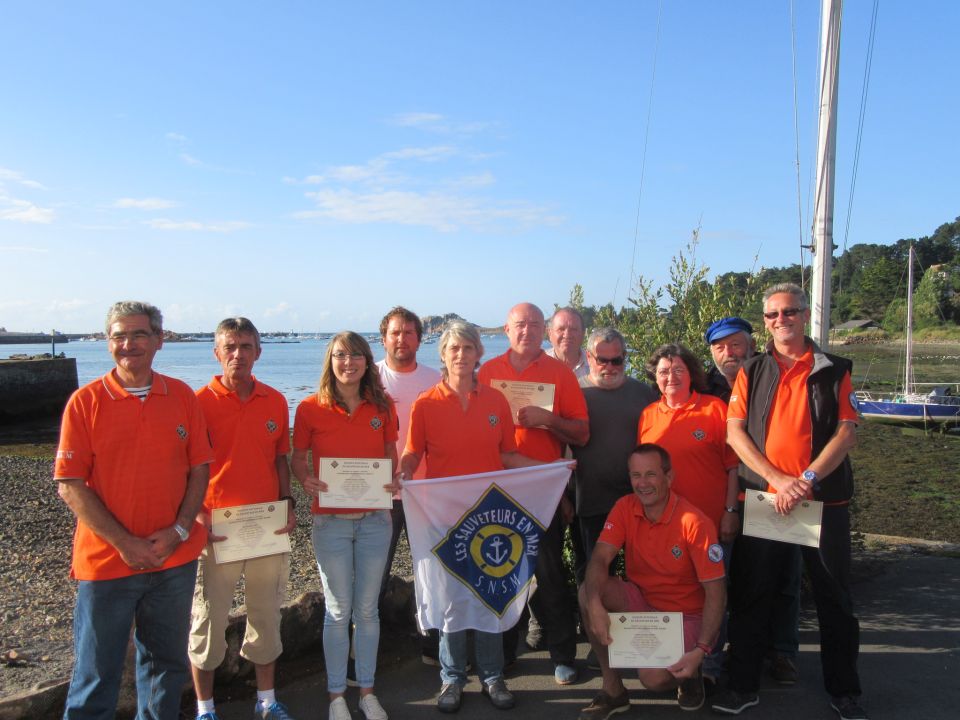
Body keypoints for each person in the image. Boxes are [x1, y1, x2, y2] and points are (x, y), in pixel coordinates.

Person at [712, 283, 866, 720]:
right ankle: (742, 685)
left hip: (823, 503)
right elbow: (735, 433)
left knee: (834, 598)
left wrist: (807, 479)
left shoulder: (834, 369)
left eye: (789, 312)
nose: (781, 320)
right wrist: (778, 480)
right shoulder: (753, 370)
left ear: (804, 315)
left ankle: (845, 691)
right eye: (773, 315)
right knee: (752, 593)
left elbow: (847, 433)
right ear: (765, 322)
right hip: (766, 498)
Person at [55, 301, 212, 720]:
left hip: (173, 561)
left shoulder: (181, 396)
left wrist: (179, 531)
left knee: (166, 669)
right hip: (107, 563)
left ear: (159, 340)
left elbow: (199, 469)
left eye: (139, 334)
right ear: (108, 343)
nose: (128, 344)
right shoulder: (85, 402)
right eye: (118, 336)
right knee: (94, 675)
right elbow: (70, 485)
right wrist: (125, 543)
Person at [401, 321, 539, 713]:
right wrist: (405, 472)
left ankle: (493, 677)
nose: (460, 355)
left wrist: (551, 470)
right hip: (442, 518)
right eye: (453, 348)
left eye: (467, 347)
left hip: (489, 518)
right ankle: (452, 678)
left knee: (489, 597)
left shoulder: (496, 402)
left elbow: (508, 456)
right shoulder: (425, 403)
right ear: (442, 355)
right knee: (450, 601)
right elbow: (413, 453)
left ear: (479, 353)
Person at [189, 318, 297, 720]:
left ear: (258, 352)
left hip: (267, 528)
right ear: (217, 352)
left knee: (266, 616)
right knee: (209, 620)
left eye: (246, 346)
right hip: (218, 531)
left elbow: (279, 459)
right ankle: (205, 709)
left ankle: (267, 702)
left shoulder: (274, 400)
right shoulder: (198, 402)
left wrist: (288, 503)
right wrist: (198, 515)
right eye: (230, 347)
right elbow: (188, 467)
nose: (238, 354)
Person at [478, 302, 589, 686]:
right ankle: (506, 654)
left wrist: (548, 420)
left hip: (544, 490)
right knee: (502, 574)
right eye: (519, 324)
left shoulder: (560, 374)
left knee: (549, 574)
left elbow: (581, 434)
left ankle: (563, 656)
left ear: (544, 330)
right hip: (496, 491)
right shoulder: (488, 372)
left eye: (534, 325)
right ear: (506, 329)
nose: (527, 331)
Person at [292, 333, 400, 720]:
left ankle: (367, 692)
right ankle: (336, 695)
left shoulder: (383, 407)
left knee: (367, 611)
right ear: (330, 361)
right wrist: (305, 479)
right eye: (340, 355)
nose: (348, 362)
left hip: (375, 520)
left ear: (367, 361)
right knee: (338, 611)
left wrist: (394, 478)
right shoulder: (308, 408)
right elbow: (297, 457)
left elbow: (390, 454)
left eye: (356, 355)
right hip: (330, 522)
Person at [578, 444, 726, 718]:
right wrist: (595, 604)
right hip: (644, 604)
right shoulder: (625, 507)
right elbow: (599, 558)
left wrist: (702, 649)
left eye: (650, 474)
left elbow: (717, 593)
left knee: (654, 679)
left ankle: (691, 670)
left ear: (669, 478)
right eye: (636, 475)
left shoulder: (695, 522)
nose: (642, 483)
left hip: (686, 616)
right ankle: (614, 692)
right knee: (588, 591)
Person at [703, 316, 801, 686]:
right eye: (719, 347)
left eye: (735, 345)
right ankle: (737, 649)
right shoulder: (706, 388)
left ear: (750, 344)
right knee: (732, 578)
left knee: (785, 576)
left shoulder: (772, 375)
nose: (728, 353)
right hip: (727, 497)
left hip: (774, 492)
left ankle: (782, 652)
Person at [572, 327, 657, 578]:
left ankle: (636, 619)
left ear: (624, 359)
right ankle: (592, 619)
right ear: (589, 358)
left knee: (643, 572)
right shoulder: (574, 393)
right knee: (593, 574)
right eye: (602, 360)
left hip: (638, 501)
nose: (610, 366)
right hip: (590, 503)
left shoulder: (644, 394)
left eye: (617, 360)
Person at [375, 307, 440, 623]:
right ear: (383, 339)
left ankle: (433, 649)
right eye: (395, 333)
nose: (401, 339)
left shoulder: (436, 380)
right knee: (374, 575)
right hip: (380, 494)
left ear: (419, 339)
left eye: (409, 333)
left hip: (425, 494)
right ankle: (363, 654)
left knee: (430, 574)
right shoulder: (368, 379)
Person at [546, 306, 590, 378]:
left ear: (583, 334)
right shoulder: (537, 364)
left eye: (574, 329)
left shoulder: (596, 364)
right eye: (561, 329)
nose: (567, 335)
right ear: (550, 334)